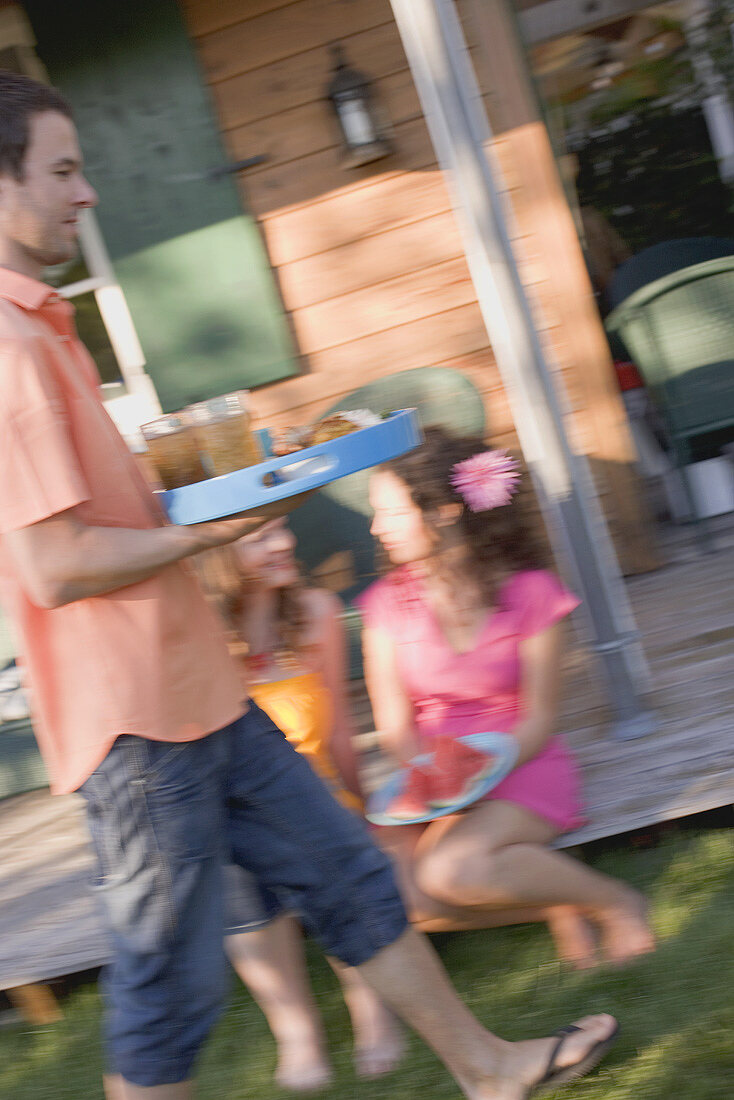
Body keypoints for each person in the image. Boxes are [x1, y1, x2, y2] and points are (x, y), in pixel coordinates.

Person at [0, 71, 619, 1100]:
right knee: (170, 979)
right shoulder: (10, 348)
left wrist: (205, 506)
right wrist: (215, 525)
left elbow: (100, 527)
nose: (87, 193)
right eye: (63, 170)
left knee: (344, 873)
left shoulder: (45, 329)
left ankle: (489, 1068)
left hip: (193, 693)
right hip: (135, 726)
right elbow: (54, 567)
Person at [361, 428, 655, 971]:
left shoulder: (532, 592)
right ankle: (555, 900)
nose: (377, 529)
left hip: (521, 757)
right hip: (431, 773)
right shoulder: (384, 605)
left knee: (449, 872)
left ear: (446, 511)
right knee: (404, 901)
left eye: (391, 513)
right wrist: (434, 778)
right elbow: (394, 726)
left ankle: (617, 900)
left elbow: (542, 716)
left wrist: (479, 772)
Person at [201, 520, 403, 1090]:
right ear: (217, 554)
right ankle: (298, 1032)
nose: (285, 543)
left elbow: (339, 725)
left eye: (284, 530)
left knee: (336, 846)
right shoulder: (201, 638)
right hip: (238, 812)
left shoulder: (316, 613)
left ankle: (372, 1012)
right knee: (235, 871)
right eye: (260, 537)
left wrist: (364, 810)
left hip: (315, 797)